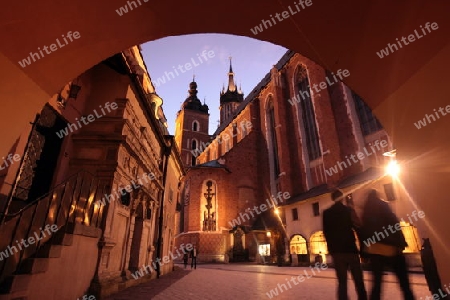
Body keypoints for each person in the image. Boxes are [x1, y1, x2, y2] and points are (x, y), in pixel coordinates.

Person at [361, 189, 414, 300]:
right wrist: (401, 244)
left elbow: (363, 233)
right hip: (392, 249)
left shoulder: (365, 212)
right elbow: (395, 224)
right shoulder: (383, 205)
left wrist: (364, 253)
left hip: (375, 252)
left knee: (377, 286)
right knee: (404, 284)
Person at [323, 189, 367, 300]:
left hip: (337, 253)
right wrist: (363, 249)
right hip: (350, 250)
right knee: (359, 281)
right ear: (342, 198)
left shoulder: (327, 213)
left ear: (332, 199)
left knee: (342, 283)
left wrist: (331, 250)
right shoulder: (348, 211)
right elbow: (358, 229)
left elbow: (326, 233)